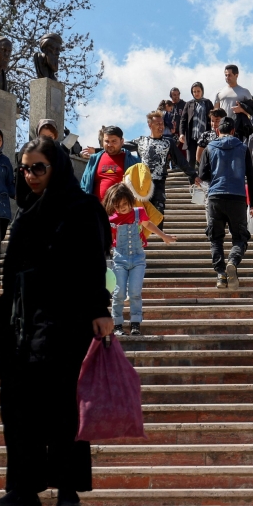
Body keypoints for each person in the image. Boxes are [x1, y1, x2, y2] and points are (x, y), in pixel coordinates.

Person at [0, 136, 113, 506]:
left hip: (68, 320)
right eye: (25, 168)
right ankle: (23, 487)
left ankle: (67, 486)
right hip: (23, 324)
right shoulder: (25, 215)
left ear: (56, 167)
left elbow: (95, 263)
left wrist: (100, 310)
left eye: (38, 168)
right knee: (19, 406)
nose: (30, 176)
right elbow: (10, 273)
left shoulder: (83, 208)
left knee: (64, 403)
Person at [105, 183, 175, 337]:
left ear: (131, 200)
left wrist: (164, 237)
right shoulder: (112, 219)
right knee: (119, 293)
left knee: (135, 292)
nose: (122, 208)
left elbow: (149, 225)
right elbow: (107, 238)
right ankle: (117, 324)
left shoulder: (139, 213)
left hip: (138, 258)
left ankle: (135, 323)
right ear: (113, 205)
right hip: (120, 259)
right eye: (118, 205)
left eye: (125, 203)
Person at [199, 117, 253, 290]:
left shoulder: (209, 147)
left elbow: (202, 174)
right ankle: (233, 260)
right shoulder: (243, 147)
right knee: (240, 237)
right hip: (237, 197)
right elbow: (251, 177)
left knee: (216, 238)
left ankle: (220, 274)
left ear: (218, 131)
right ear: (233, 131)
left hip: (215, 197)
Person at [125, 111, 199, 226]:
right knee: (141, 213)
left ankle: (160, 237)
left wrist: (193, 175)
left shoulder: (168, 142)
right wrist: (96, 151)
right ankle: (142, 240)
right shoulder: (141, 140)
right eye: (157, 124)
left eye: (162, 124)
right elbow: (119, 146)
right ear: (150, 125)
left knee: (158, 212)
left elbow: (180, 160)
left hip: (159, 182)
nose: (161, 126)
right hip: (142, 183)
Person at [79, 126, 140, 202]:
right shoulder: (94, 160)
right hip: (97, 210)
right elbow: (84, 185)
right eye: (107, 141)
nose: (110, 144)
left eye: (114, 141)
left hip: (122, 211)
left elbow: (140, 187)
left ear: (122, 141)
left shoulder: (133, 161)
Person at [214, 64, 253, 140]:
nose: (227, 77)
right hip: (222, 128)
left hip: (238, 129)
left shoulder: (245, 92)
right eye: (226, 75)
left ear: (236, 75)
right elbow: (215, 112)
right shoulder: (220, 92)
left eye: (229, 75)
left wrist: (241, 110)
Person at [178, 81, 214, 163]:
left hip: (205, 136)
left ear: (202, 91)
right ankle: (191, 176)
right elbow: (183, 120)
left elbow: (212, 117)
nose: (196, 93)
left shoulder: (207, 103)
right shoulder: (189, 104)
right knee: (191, 160)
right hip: (192, 137)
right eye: (194, 91)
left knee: (204, 160)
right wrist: (182, 133)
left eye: (198, 91)